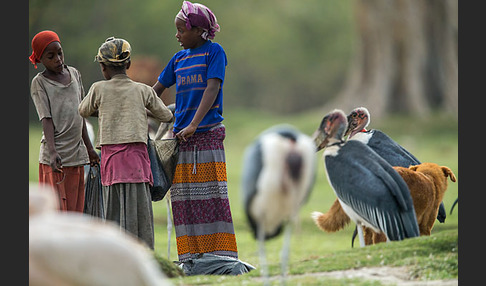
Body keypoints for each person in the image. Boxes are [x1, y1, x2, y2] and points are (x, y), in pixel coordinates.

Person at [153, 1, 239, 263]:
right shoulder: (178, 59)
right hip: (183, 142)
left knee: (212, 199)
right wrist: (134, 103)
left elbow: (212, 89)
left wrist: (193, 124)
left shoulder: (215, 52)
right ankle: (190, 258)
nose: (177, 35)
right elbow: (155, 91)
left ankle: (220, 258)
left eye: (181, 29)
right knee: (185, 202)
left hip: (206, 138)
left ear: (199, 31)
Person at [79, 37, 173, 249]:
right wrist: (140, 110)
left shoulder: (98, 88)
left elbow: (83, 110)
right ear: (128, 64)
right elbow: (166, 116)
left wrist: (105, 111)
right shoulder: (143, 90)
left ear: (103, 67)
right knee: (139, 210)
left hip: (111, 162)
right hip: (138, 161)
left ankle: (117, 253)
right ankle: (144, 254)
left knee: (113, 210)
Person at [30, 30, 99, 212]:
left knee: (75, 211)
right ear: (40, 59)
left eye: (59, 53)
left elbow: (81, 115)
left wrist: (90, 149)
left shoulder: (75, 74)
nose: (58, 60)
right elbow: (46, 118)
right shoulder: (40, 83)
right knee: (56, 213)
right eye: (50, 56)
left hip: (76, 155)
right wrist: (52, 152)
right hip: (56, 159)